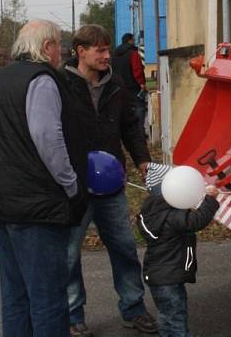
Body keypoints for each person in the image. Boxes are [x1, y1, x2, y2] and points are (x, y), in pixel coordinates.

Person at [0, 19, 88, 337]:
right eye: (58, 45)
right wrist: (71, 184)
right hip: (35, 207)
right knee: (48, 297)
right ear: (47, 47)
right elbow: (48, 138)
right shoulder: (43, 80)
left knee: (15, 295)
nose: (61, 52)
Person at [62, 24, 157, 337]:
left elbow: (131, 127)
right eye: (100, 50)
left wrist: (142, 160)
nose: (107, 56)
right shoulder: (61, 84)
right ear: (81, 52)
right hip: (74, 186)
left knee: (125, 247)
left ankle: (133, 309)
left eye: (107, 49)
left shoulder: (116, 84)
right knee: (69, 254)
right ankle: (73, 315)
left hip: (111, 185)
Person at [137, 167, 220, 337]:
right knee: (176, 318)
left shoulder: (154, 212)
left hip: (159, 277)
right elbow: (197, 221)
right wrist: (210, 200)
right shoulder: (172, 216)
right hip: (169, 278)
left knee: (167, 316)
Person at [113, 32, 148, 137]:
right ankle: (139, 134)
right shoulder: (133, 53)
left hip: (118, 88)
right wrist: (142, 83)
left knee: (123, 112)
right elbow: (137, 70)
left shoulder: (115, 54)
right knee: (138, 110)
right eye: (133, 39)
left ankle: (124, 135)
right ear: (130, 40)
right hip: (133, 88)